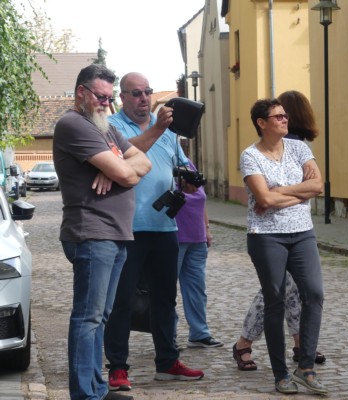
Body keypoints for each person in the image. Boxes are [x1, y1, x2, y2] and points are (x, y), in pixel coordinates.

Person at [53, 64, 151, 400]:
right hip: (91, 234)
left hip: (115, 234)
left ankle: (95, 386)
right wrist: (120, 170)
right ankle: (85, 394)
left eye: (110, 99)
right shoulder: (72, 124)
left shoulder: (106, 128)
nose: (106, 104)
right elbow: (127, 172)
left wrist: (118, 170)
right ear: (81, 93)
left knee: (101, 317)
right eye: (100, 97)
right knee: (88, 317)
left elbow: (143, 163)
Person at [103, 72, 204, 392]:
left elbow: (182, 166)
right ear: (122, 98)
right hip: (126, 228)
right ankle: (117, 367)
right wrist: (158, 128)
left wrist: (188, 179)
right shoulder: (112, 128)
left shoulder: (171, 135)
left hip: (164, 227)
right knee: (121, 301)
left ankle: (167, 362)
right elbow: (118, 158)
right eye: (135, 93)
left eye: (147, 92)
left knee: (165, 299)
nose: (144, 98)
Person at [239, 98, 328, 395]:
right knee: (275, 301)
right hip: (266, 236)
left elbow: (318, 186)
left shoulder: (300, 148)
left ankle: (305, 368)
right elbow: (263, 200)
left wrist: (281, 191)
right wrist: (297, 194)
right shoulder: (250, 156)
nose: (284, 119)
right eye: (277, 116)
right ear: (262, 123)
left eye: (285, 115)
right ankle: (281, 375)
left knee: (314, 294)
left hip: (303, 233)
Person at [174, 157, 223, 348]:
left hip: (196, 238)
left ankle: (199, 333)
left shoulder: (187, 164)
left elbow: (202, 201)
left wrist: (207, 228)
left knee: (197, 289)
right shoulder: (159, 162)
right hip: (174, 237)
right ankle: (168, 334)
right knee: (167, 290)